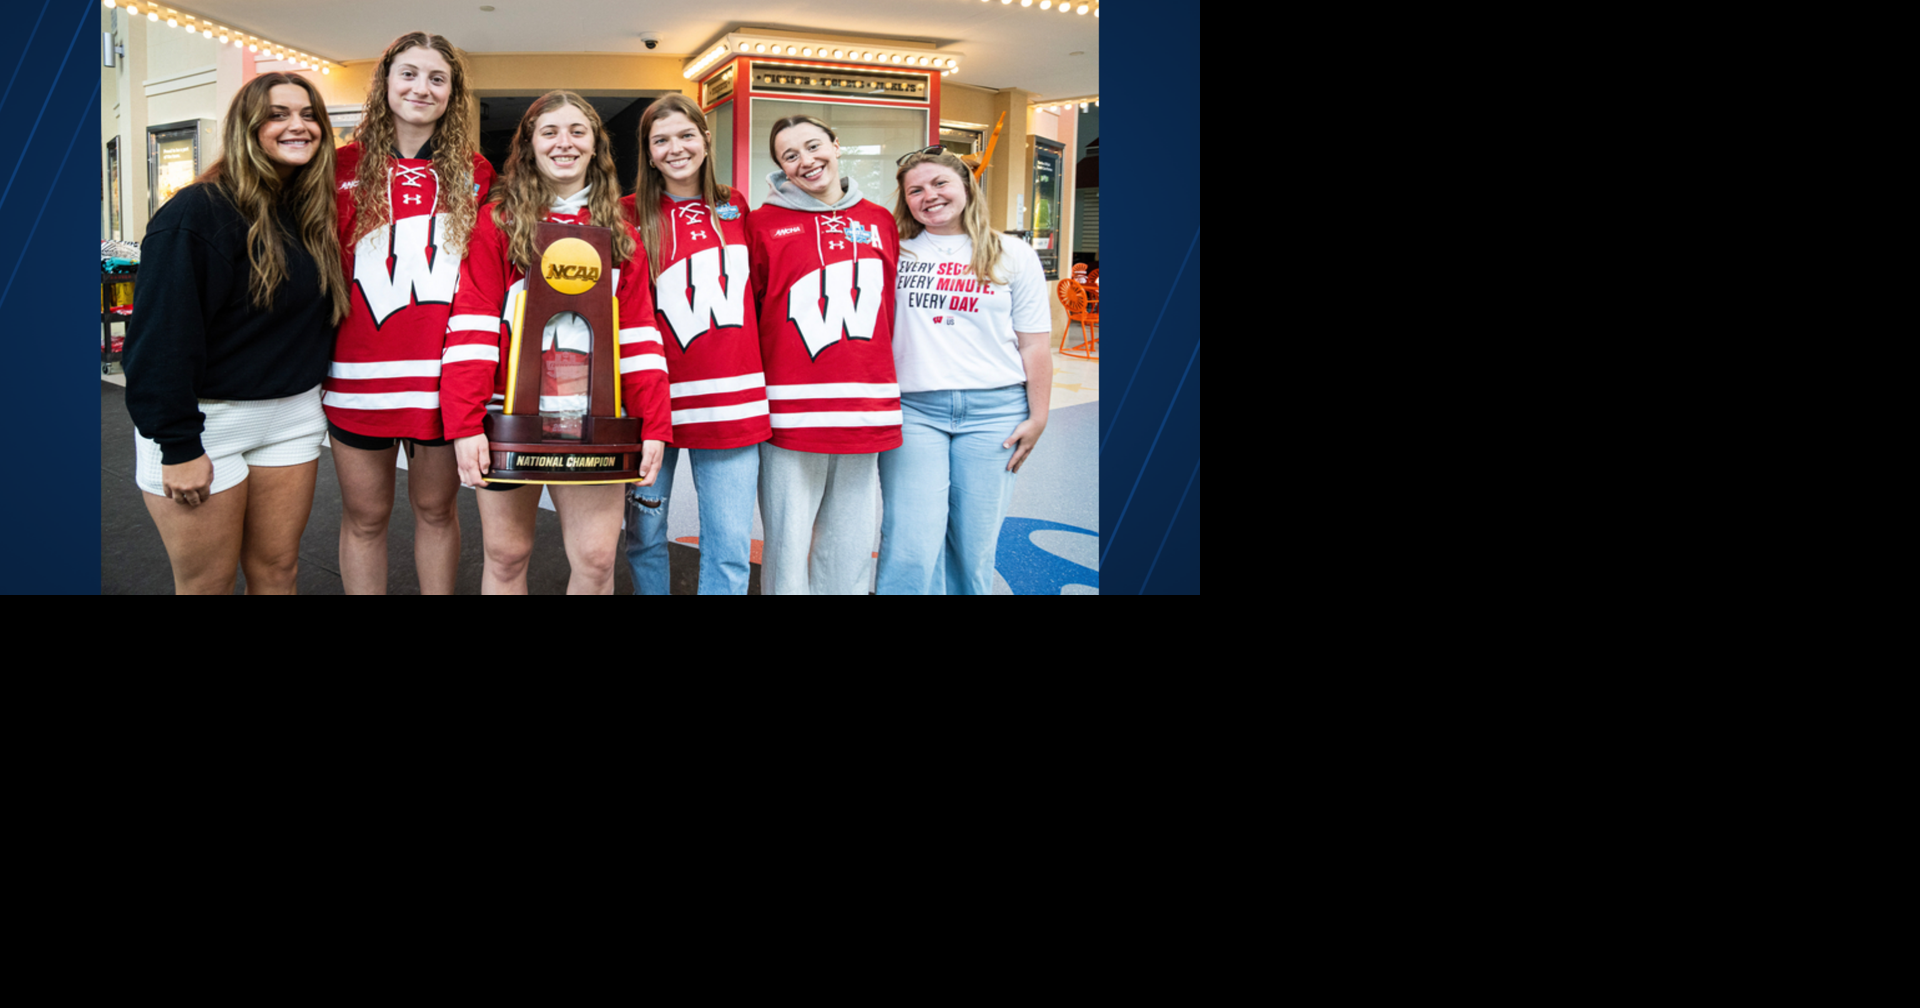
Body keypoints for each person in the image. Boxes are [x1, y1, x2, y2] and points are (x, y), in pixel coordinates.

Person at [123, 72, 349, 594]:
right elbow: (159, 341)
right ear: (248, 129)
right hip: (207, 423)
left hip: (291, 417)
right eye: (278, 115)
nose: (299, 126)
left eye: (309, 114)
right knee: (208, 584)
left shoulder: (308, 215)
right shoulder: (197, 213)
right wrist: (178, 446)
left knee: (278, 573)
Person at [441, 90, 669, 594]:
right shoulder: (496, 221)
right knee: (506, 555)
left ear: (595, 146)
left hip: (598, 416)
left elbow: (638, 333)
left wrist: (655, 424)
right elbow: (473, 328)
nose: (563, 143)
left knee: (594, 559)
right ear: (529, 145)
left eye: (577, 132)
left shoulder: (620, 228)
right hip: (509, 411)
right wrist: (463, 423)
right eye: (549, 132)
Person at [325, 32, 493, 594]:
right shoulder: (337, 166)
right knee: (366, 517)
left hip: (440, 380)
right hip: (358, 377)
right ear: (385, 83)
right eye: (409, 74)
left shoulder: (476, 173)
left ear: (452, 94)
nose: (422, 87)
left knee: (437, 512)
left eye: (437, 78)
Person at [877, 150, 1053, 594]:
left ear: (966, 187)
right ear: (905, 201)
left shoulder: (1012, 253)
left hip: (997, 413)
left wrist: (1039, 417)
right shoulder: (893, 252)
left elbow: (1034, 344)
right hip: (914, 411)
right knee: (910, 542)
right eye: (915, 190)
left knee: (973, 546)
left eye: (940, 184)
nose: (929, 196)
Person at [618, 94, 770, 595]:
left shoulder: (735, 206)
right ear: (648, 151)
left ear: (706, 138)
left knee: (728, 546)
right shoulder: (623, 215)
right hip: (649, 403)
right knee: (644, 535)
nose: (675, 148)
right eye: (660, 140)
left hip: (731, 401)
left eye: (686, 135)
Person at [746, 115, 902, 594]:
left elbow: (889, 312)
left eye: (814, 146)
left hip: (865, 406)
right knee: (788, 540)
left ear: (836, 146)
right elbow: (752, 314)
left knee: (851, 538)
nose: (806, 161)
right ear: (781, 170)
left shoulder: (879, 220)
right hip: (789, 411)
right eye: (790, 156)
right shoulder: (761, 224)